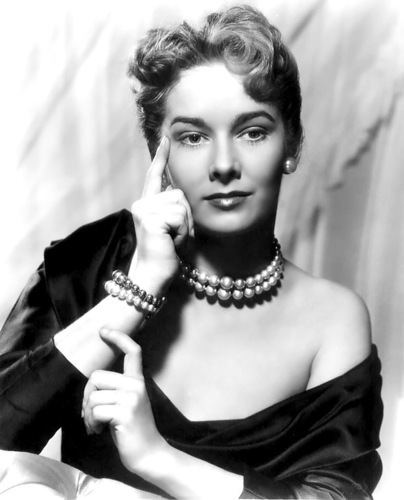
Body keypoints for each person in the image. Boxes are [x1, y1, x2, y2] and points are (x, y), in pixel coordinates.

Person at [0, 5, 382, 499]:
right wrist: (134, 293)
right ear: (160, 155)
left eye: (252, 131)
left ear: (293, 144)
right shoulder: (86, 263)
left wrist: (157, 457)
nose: (224, 164)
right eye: (194, 137)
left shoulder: (333, 318)